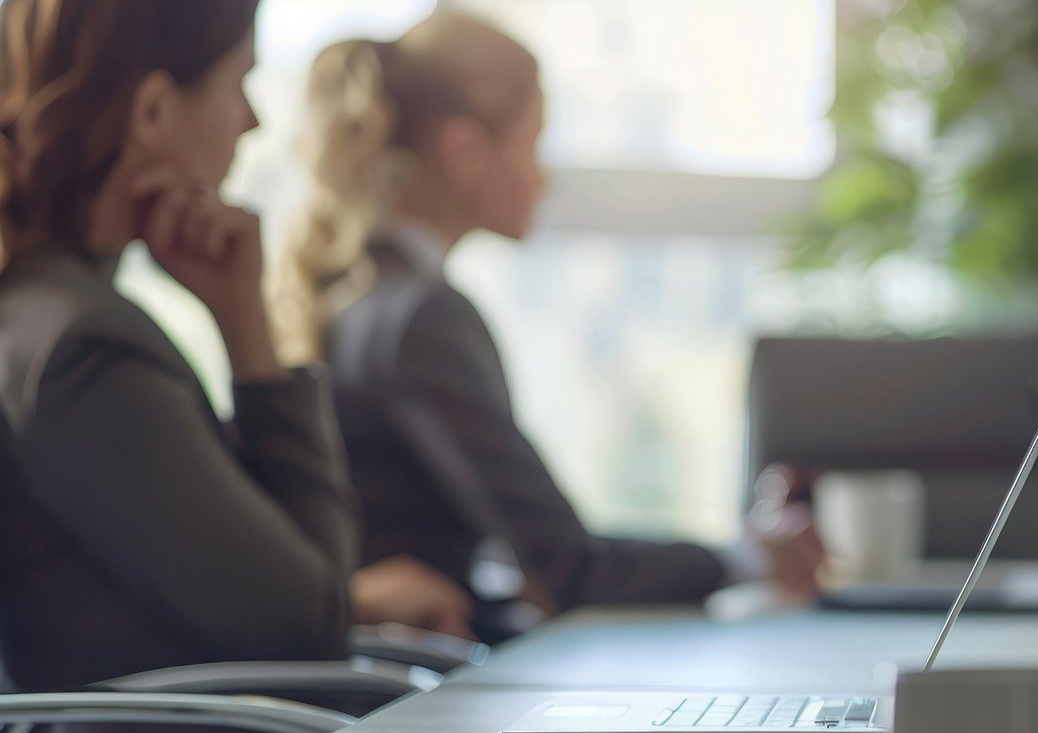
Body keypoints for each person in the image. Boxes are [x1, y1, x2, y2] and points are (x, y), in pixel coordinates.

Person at [270, 13, 822, 639]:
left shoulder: (356, 300)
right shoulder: (423, 316)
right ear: (466, 153)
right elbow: (566, 567)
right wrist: (751, 558)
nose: (545, 176)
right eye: (533, 143)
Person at [0, 0, 462, 691]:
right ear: (153, 111)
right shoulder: (84, 346)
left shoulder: (46, 311)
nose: (253, 121)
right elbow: (307, 626)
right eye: (236, 83)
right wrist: (250, 333)